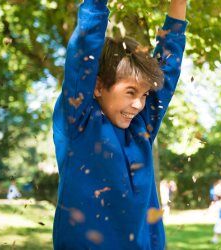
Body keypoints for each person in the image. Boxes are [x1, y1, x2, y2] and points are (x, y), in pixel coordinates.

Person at [52, 0, 187, 249]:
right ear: (97, 86)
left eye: (144, 94)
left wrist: (178, 4)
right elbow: (85, 45)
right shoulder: (78, 121)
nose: (138, 104)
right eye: (130, 92)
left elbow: (169, 62)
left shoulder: (141, 128)